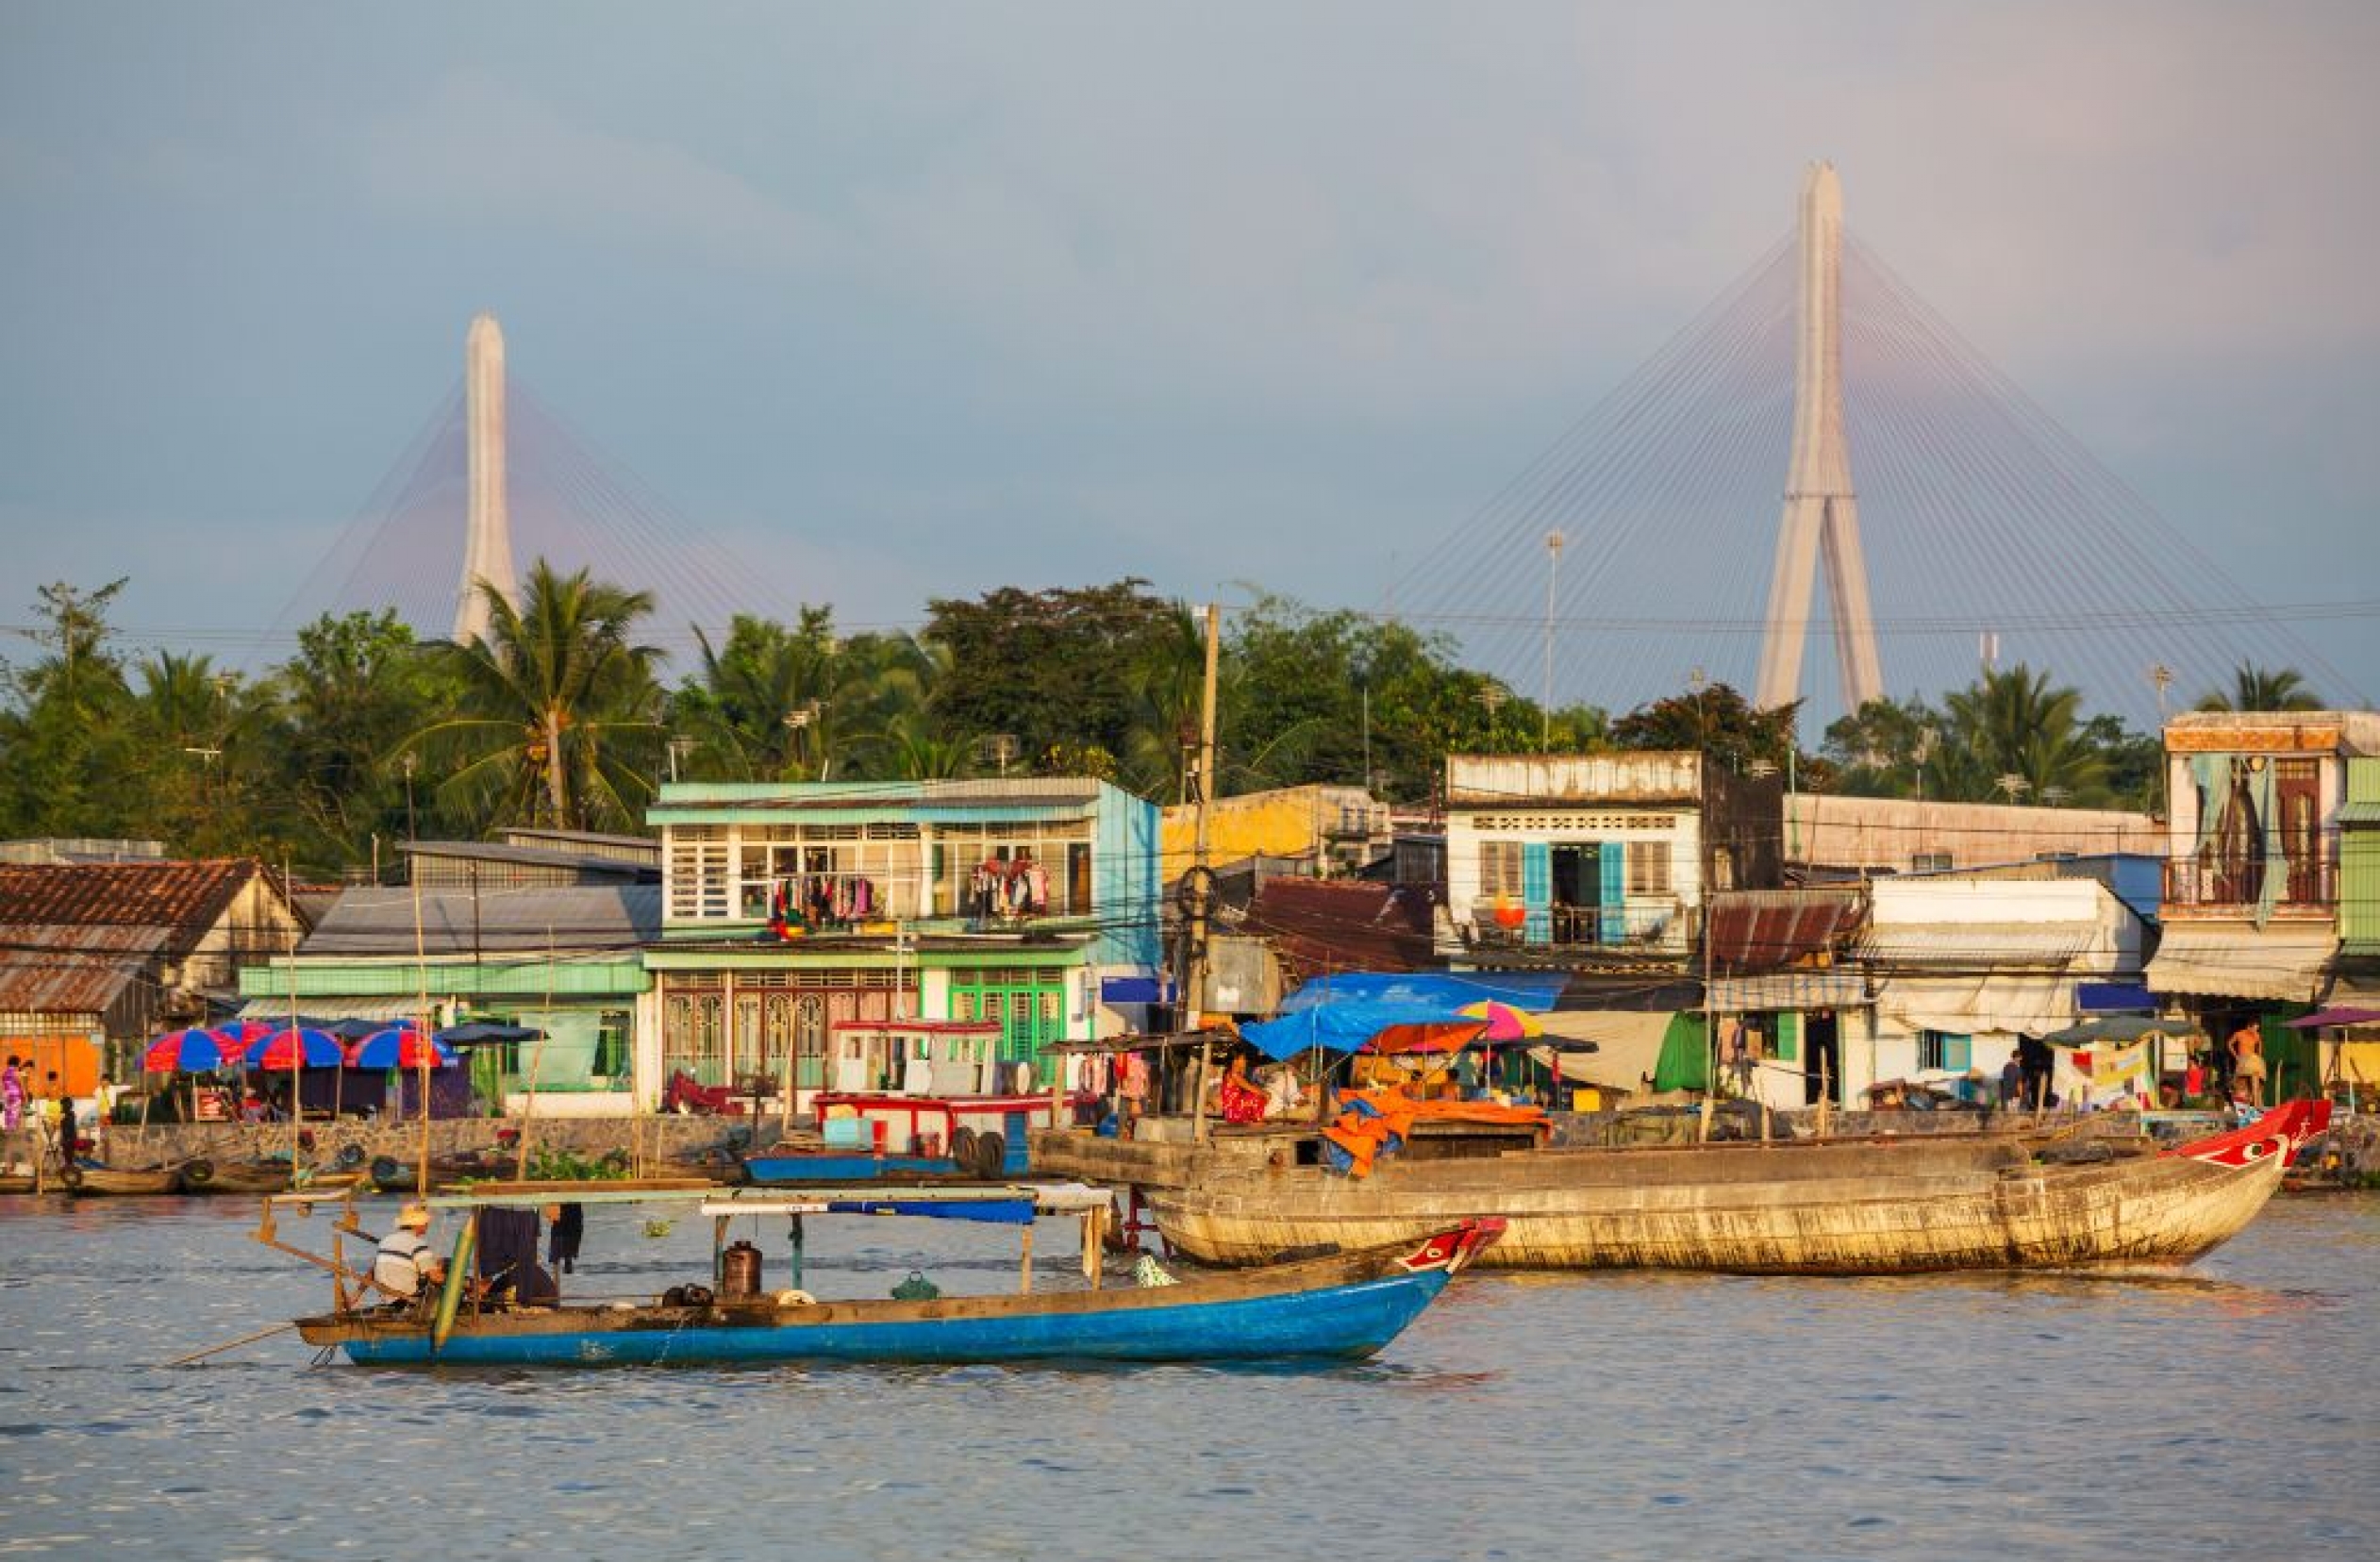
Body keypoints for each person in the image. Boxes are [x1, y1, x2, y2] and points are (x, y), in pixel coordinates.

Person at [373, 1204, 447, 1304]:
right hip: (405, 1296)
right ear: (418, 1224)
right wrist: (456, 1281)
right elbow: (434, 1276)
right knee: (447, 1264)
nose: (427, 1225)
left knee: (437, 1264)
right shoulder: (418, 1244)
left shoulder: (386, 1239)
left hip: (387, 1295)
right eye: (425, 1223)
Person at [2229, 1021, 2267, 1107]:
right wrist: (2236, 1056)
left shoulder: (2256, 1035)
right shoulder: (2239, 1034)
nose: (2255, 1031)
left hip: (2253, 1059)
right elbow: (2229, 1044)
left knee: (2256, 1077)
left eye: (2257, 1029)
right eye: (2254, 1029)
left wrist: (2259, 1056)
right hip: (2243, 1058)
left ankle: (2256, 1103)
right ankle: (2248, 1103)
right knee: (2242, 1082)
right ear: (2248, 1027)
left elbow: (2260, 1043)